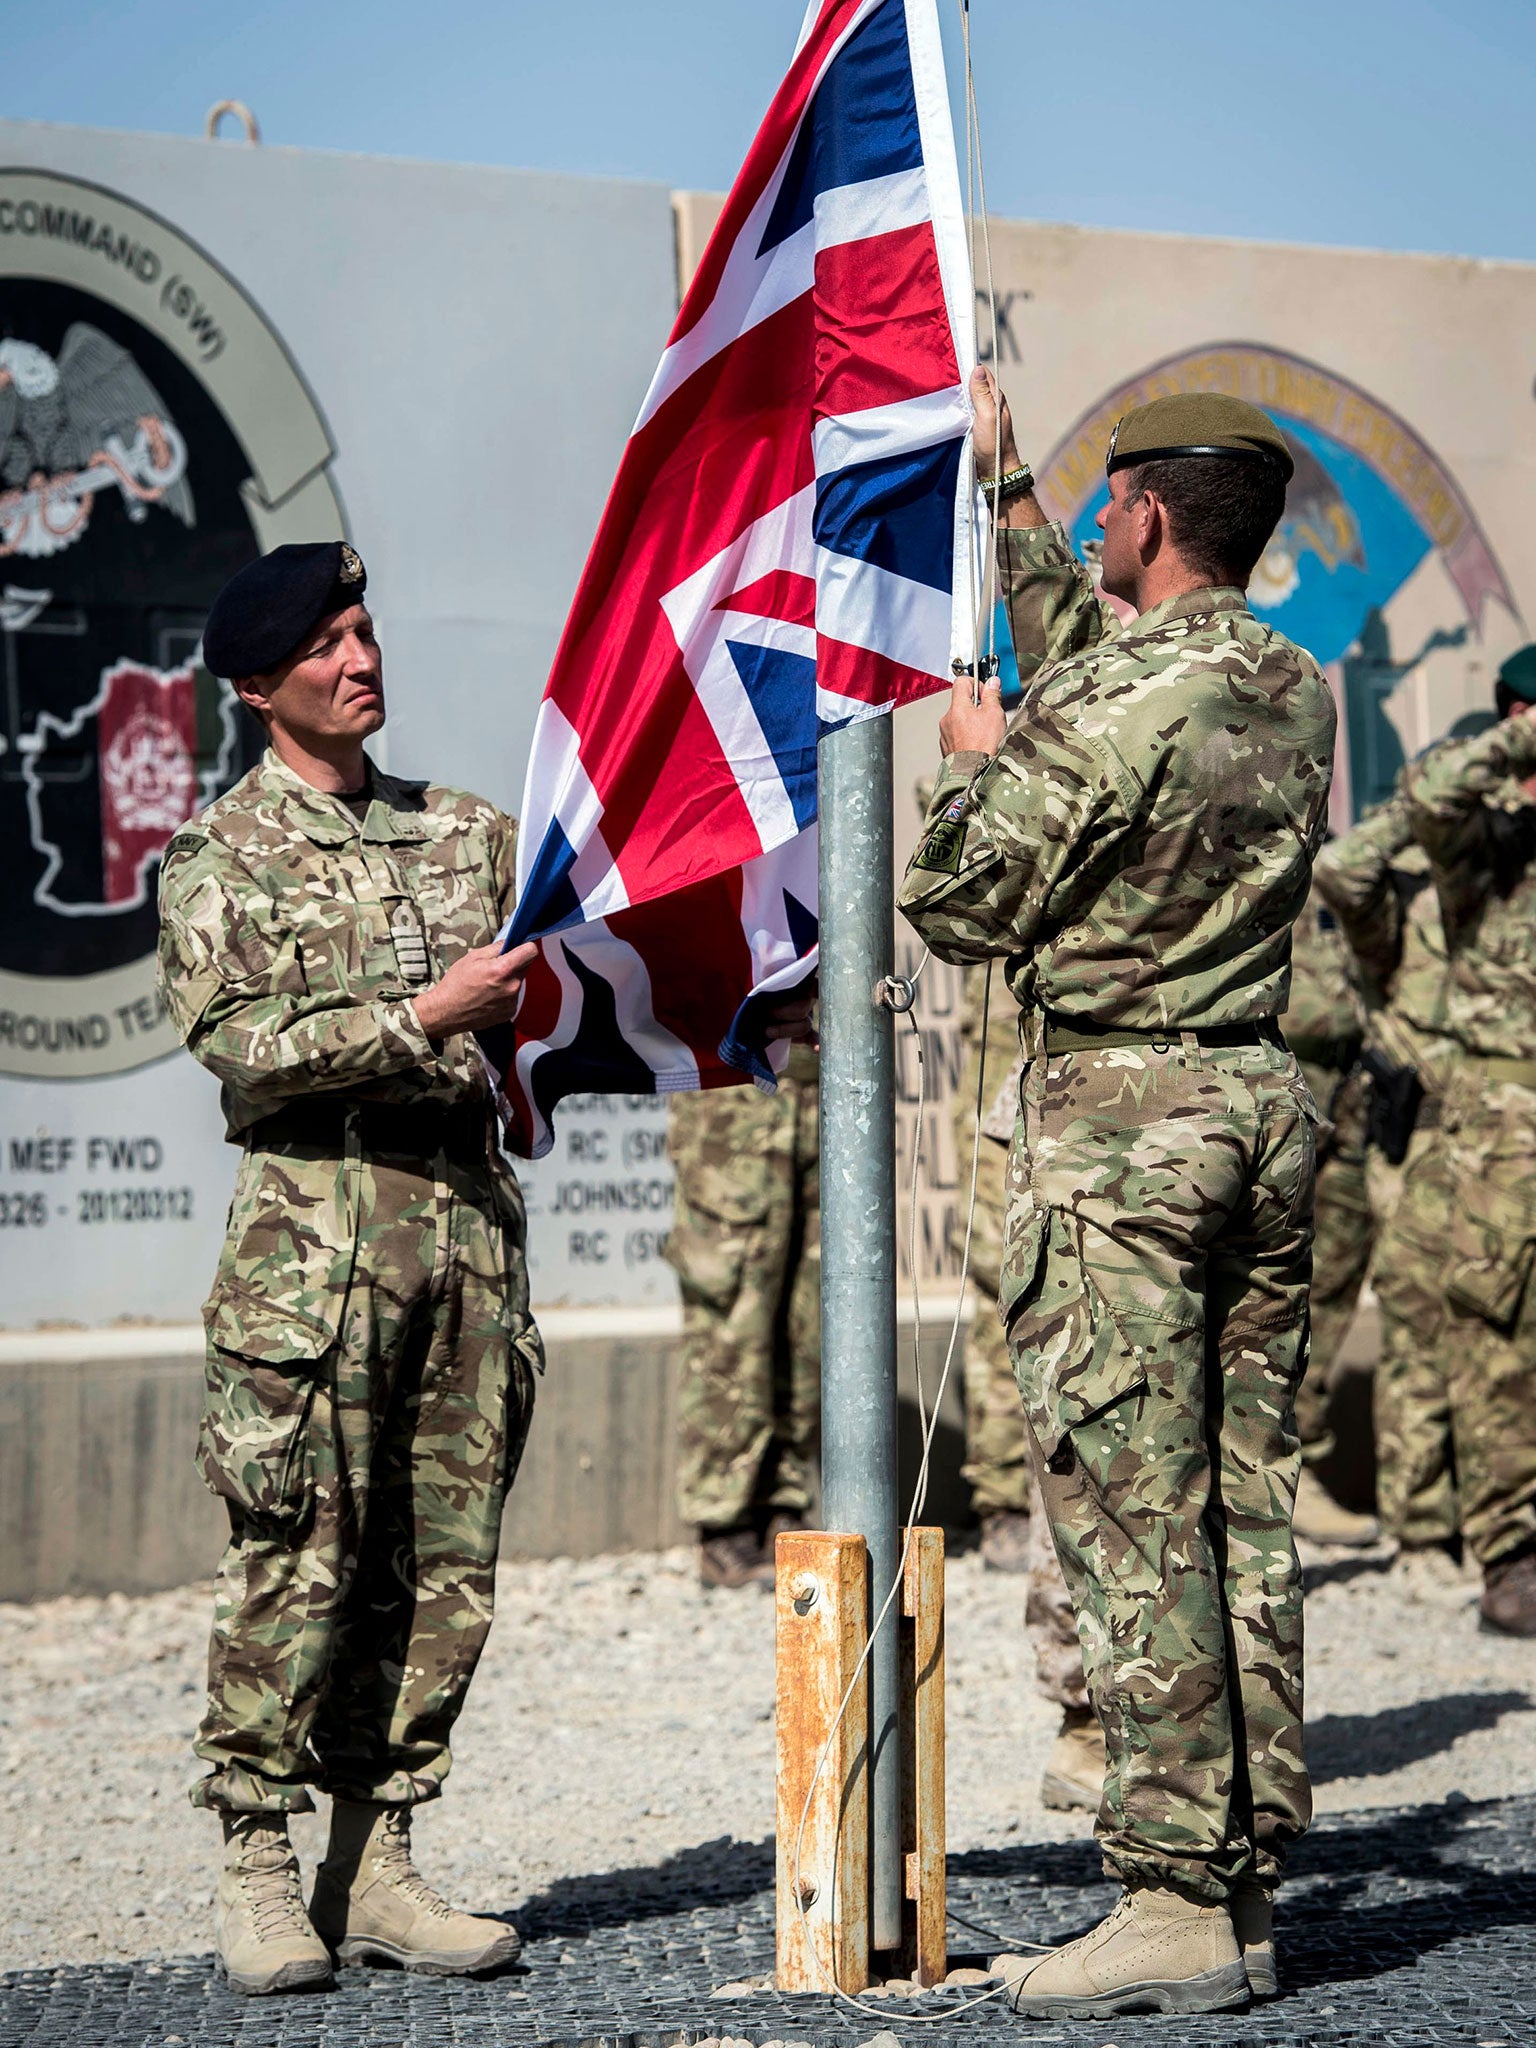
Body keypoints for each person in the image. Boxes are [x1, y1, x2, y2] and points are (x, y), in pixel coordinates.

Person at [899, 375, 1334, 2017]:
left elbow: (956, 898)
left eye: (1104, 498)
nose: (1090, 522)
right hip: (1251, 1103)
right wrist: (1007, 491)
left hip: (1123, 1129)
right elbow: (1102, 662)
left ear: (1155, 512)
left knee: (1131, 1508)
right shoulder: (1285, 683)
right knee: (1234, 1496)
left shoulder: (1095, 707)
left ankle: (1168, 1895)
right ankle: (1240, 1862)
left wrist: (966, 763)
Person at [158, 542, 544, 1996]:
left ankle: (375, 1859)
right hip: (309, 1270)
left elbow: (579, 949)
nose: (361, 659)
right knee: (295, 1567)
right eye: (325, 645)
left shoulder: (466, 835)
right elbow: (244, 1047)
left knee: (442, 1575)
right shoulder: (218, 859)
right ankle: (257, 1861)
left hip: (461, 1251)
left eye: (367, 631)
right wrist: (424, 1011)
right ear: (260, 686)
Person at [1398, 644, 1536, 1635]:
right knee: (1498, 1336)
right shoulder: (1485, 836)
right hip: (1501, 1112)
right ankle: (1511, 1548)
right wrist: (1520, 738)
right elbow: (1424, 790)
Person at [1315, 778, 1462, 1565]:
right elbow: (1342, 871)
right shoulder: (1399, 896)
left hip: (1506, 1128)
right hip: (1419, 1133)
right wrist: (1422, 809)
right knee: (1417, 1325)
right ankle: (1425, 1525)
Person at [665, 1048, 821, 1587]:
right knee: (733, 1316)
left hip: (829, 1084)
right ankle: (722, 1518)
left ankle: (784, 1499)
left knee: (812, 1322)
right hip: (733, 1088)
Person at [1281, 886, 1379, 1545]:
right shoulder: (1245, 838)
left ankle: (1303, 1459)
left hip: (1354, 1093)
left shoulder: (1335, 868)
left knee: (1334, 1282)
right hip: (1286, 1088)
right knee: (1272, 1290)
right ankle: (1269, 1473)